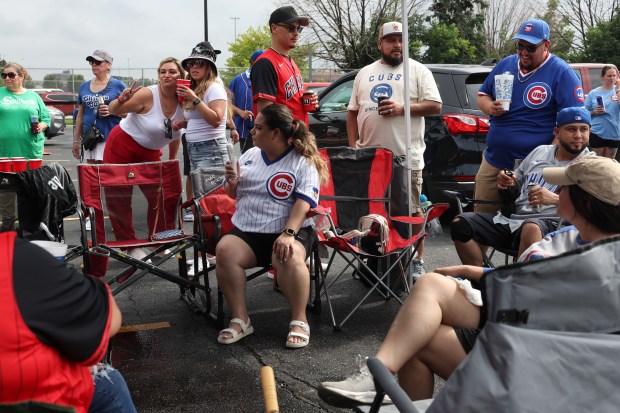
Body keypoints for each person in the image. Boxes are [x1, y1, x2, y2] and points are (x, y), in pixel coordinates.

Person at [318, 155, 620, 407]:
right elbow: (530, 288)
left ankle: (377, 376)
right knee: (419, 333)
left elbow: (539, 299)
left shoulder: (595, 265)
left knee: (429, 295)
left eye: (565, 188)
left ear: (587, 204)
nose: (557, 191)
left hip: (541, 375)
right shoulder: (568, 241)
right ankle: (379, 375)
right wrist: (477, 273)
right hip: (525, 341)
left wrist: (485, 279)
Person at [215, 104, 328, 348]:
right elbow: (233, 195)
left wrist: (288, 234)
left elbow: (304, 202)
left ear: (276, 133)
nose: (252, 132)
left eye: (258, 128)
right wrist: (231, 183)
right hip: (249, 230)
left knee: (288, 255)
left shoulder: (303, 161)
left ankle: (299, 320)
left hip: (290, 229)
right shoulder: (249, 156)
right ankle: (241, 319)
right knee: (224, 250)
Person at [0, 231, 137, 412]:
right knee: (109, 382)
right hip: (27, 399)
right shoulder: (16, 258)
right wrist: (84, 280)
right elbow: (110, 320)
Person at [347, 21, 442, 273]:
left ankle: (416, 262)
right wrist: (352, 148)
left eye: (401, 39)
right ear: (380, 44)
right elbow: (352, 112)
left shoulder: (418, 71)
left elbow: (435, 105)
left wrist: (402, 108)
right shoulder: (364, 73)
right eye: (390, 40)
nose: (397, 44)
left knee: (410, 213)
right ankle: (374, 259)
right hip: (369, 158)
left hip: (405, 157)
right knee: (372, 214)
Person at [451, 106, 593, 264]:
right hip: (512, 220)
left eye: (583, 129)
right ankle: (481, 282)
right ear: (557, 132)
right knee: (461, 223)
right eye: (572, 129)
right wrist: (506, 180)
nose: (578, 135)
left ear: (590, 131)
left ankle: (520, 283)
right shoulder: (540, 151)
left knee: (531, 227)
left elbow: (598, 206)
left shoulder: (593, 164)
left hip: (556, 226)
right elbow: (516, 180)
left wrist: (555, 199)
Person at [475, 19, 584, 214]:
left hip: (534, 168)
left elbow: (572, 123)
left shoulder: (562, 72)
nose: (524, 52)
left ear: (546, 45)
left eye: (531, 47)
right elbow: (483, 95)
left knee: (528, 222)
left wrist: (548, 157)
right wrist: (491, 107)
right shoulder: (506, 64)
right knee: (479, 221)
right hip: (495, 160)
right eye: (520, 46)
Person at [104, 57, 186, 260]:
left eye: (172, 71)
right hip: (123, 143)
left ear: (181, 76)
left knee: (160, 194)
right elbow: (114, 110)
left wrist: (170, 160)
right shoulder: (147, 94)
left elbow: (175, 135)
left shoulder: (186, 99)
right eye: (162, 71)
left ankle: (158, 237)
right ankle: (130, 245)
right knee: (119, 197)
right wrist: (121, 100)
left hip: (150, 151)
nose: (167, 75)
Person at [0, 63, 50, 231]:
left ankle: (27, 225)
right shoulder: (0, 94)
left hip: (30, 151)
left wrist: (41, 126)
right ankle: (8, 221)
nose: (6, 78)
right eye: (4, 75)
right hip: (5, 151)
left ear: (22, 77)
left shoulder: (33, 96)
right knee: (6, 189)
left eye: (11, 75)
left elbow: (45, 118)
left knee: (28, 189)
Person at [251, 6, 317, 125]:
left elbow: (288, 101)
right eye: (291, 28)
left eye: (299, 29)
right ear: (274, 28)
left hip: (298, 138)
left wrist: (304, 101)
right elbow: (265, 115)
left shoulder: (291, 62)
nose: (296, 33)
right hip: (282, 141)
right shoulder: (266, 63)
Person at [72, 50, 126, 164]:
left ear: (108, 65)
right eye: (92, 62)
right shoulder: (84, 86)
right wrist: (76, 141)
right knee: (94, 177)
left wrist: (112, 111)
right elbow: (80, 116)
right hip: (90, 138)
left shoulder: (118, 85)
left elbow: (130, 113)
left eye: (98, 62)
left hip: (109, 137)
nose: (94, 65)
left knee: (109, 175)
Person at [229, 49, 264, 154]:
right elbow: (226, 105)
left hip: (267, 132)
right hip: (247, 131)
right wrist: (240, 112)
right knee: (249, 163)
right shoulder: (238, 80)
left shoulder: (269, 78)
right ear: (253, 63)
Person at [584, 65, 620, 159]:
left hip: (614, 132)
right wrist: (595, 112)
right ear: (602, 77)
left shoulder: (618, 91)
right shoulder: (594, 93)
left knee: (609, 164)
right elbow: (584, 113)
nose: (612, 78)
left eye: (614, 75)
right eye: (609, 76)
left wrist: (618, 90)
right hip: (597, 131)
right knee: (597, 163)